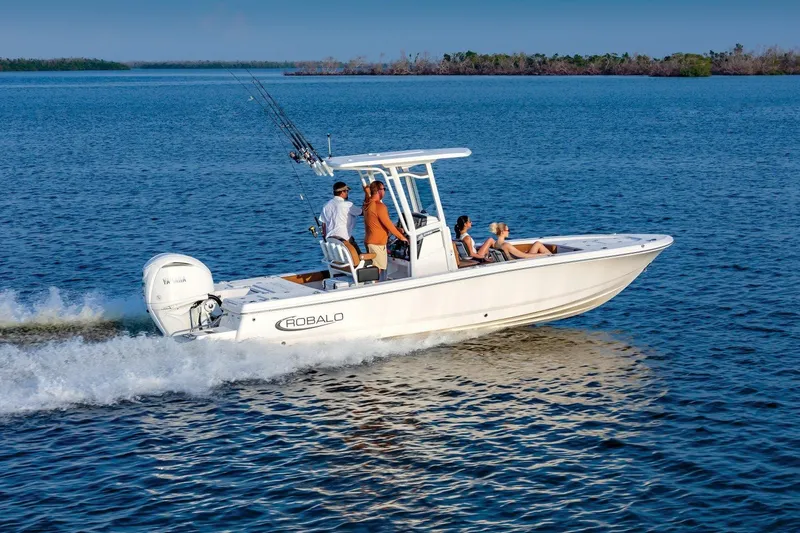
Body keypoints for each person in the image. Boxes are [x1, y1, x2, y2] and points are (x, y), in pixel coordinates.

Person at [363, 181, 407, 277]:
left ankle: (373, 283)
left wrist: (397, 229)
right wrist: (402, 237)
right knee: (377, 270)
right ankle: (373, 285)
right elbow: (388, 224)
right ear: (379, 191)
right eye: (384, 189)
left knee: (375, 269)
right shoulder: (379, 206)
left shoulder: (367, 203)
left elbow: (380, 222)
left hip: (369, 241)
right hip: (377, 243)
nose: (384, 192)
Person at [319, 181, 370, 254]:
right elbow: (363, 212)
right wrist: (367, 194)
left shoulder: (326, 205)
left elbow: (323, 225)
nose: (347, 193)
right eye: (347, 191)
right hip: (344, 241)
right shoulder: (347, 205)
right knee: (361, 256)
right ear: (342, 192)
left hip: (331, 241)